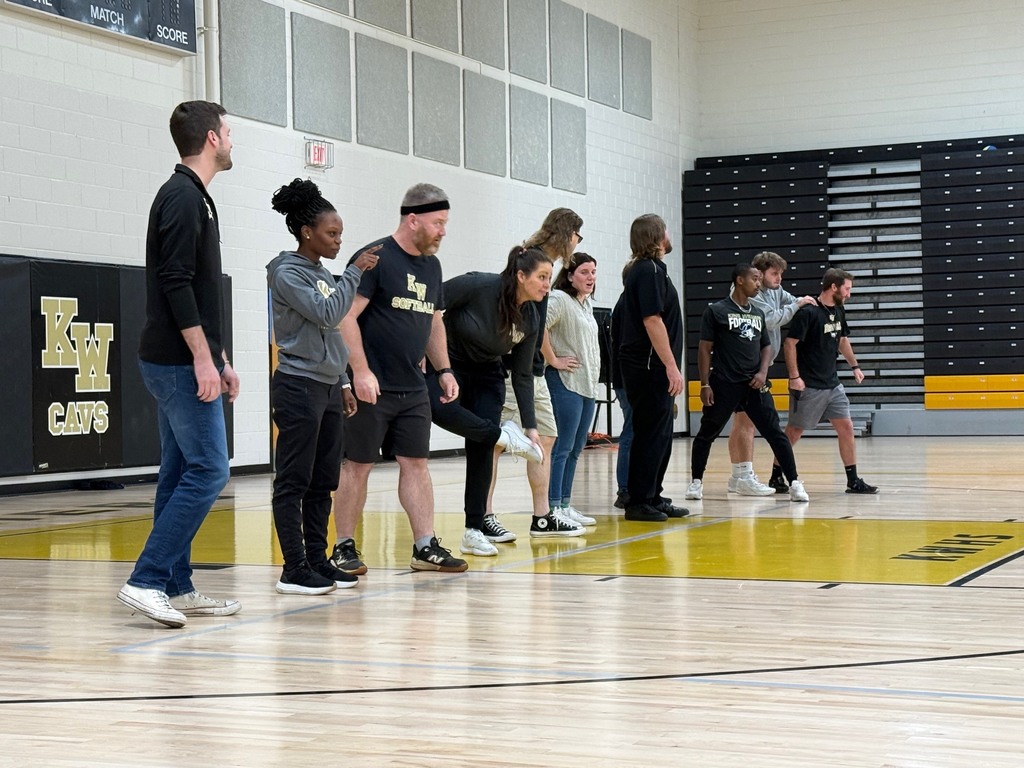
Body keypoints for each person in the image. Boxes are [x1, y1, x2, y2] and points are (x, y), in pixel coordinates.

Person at [117, 101, 241, 628]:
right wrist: (200, 360)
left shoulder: (197, 198)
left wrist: (220, 357)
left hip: (185, 359)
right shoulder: (182, 198)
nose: (233, 141)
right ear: (212, 138)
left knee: (178, 473)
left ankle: (176, 585)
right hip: (175, 363)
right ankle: (145, 580)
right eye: (229, 132)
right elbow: (174, 282)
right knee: (211, 469)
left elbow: (199, 289)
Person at [330, 184, 468, 575]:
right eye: (438, 223)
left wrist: (443, 369)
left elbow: (434, 321)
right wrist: (360, 370)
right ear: (413, 219)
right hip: (373, 386)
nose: (443, 231)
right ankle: (343, 547)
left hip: (413, 386)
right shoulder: (374, 258)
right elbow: (345, 317)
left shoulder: (432, 266)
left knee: (417, 463)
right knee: (357, 465)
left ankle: (425, 546)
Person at [430, 246, 582, 557]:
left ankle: (474, 529)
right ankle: (500, 434)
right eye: (541, 277)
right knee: (438, 409)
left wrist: (530, 427)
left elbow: (524, 375)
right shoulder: (478, 285)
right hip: (448, 365)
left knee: (482, 448)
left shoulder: (530, 316)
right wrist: (422, 348)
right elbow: (429, 303)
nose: (546, 284)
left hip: (488, 376)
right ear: (520, 275)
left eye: (549, 278)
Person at [267, 179, 378, 595]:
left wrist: (345, 380)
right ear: (306, 232)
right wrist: (354, 270)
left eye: (341, 234)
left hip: (328, 386)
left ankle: (317, 560)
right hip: (298, 386)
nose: (337, 241)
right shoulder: (287, 272)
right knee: (294, 479)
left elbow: (332, 337)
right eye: (332, 234)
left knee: (323, 479)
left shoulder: (319, 273)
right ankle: (293, 568)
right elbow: (331, 315)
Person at [481, 208, 591, 546]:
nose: (578, 241)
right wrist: (550, 358)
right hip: (517, 372)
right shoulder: (534, 260)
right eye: (577, 235)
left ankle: (542, 517)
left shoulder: (546, 262)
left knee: (545, 439)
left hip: (534, 372)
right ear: (566, 232)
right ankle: (483, 517)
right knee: (495, 445)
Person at [684, 264, 809, 503]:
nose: (759, 283)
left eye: (760, 279)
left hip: (754, 384)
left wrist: (763, 372)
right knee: (706, 434)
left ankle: (794, 482)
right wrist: (704, 384)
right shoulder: (716, 311)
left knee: (775, 433)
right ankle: (696, 482)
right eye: (755, 279)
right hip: (724, 383)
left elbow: (766, 346)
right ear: (740, 280)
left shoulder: (757, 313)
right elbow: (704, 349)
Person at [616, 214, 689, 523]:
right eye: (666, 230)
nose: (669, 234)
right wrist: (671, 366)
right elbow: (652, 320)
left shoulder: (654, 270)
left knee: (659, 433)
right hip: (648, 367)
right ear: (658, 236)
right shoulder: (646, 271)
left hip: (654, 367)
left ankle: (653, 495)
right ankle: (638, 501)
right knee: (648, 433)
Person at [782, 267, 879, 494]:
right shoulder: (808, 312)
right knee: (794, 432)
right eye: (846, 289)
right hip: (809, 384)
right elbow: (789, 344)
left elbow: (842, 340)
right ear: (833, 287)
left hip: (832, 383)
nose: (849, 294)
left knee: (846, 426)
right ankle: (777, 475)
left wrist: (855, 366)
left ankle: (852, 480)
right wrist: (794, 377)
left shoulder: (839, 311)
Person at [725, 251, 815, 495]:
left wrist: (800, 301)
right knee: (748, 423)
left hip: (760, 365)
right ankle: (743, 476)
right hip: (747, 366)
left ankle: (738, 476)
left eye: (781, 274)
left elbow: (789, 300)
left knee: (743, 421)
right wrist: (798, 305)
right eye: (774, 274)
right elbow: (772, 319)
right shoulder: (751, 295)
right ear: (759, 274)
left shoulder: (776, 290)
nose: (779, 279)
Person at [544, 253, 601, 522]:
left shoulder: (585, 304)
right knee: (562, 448)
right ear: (569, 275)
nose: (591, 277)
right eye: (584, 272)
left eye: (593, 272)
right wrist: (553, 359)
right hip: (564, 384)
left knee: (577, 448)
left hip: (587, 386)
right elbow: (538, 326)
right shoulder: (559, 299)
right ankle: (553, 506)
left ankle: (565, 503)